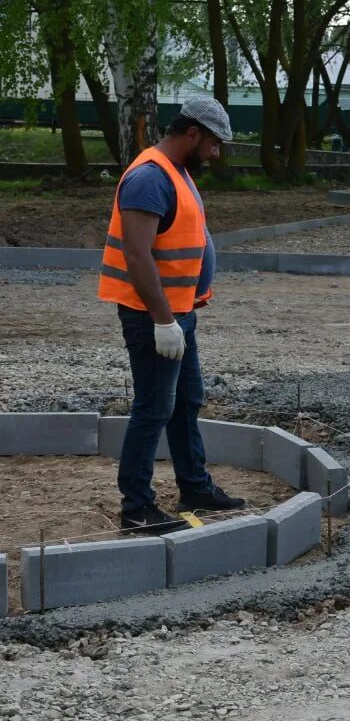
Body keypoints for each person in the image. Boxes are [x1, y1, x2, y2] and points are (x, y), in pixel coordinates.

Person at [98, 97, 244, 535]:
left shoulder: (176, 172)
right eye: (214, 143)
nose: (216, 153)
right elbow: (137, 255)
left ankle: (195, 487)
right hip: (153, 317)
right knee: (153, 408)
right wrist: (163, 321)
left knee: (185, 402)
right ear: (193, 133)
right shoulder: (148, 177)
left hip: (179, 314)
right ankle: (137, 508)